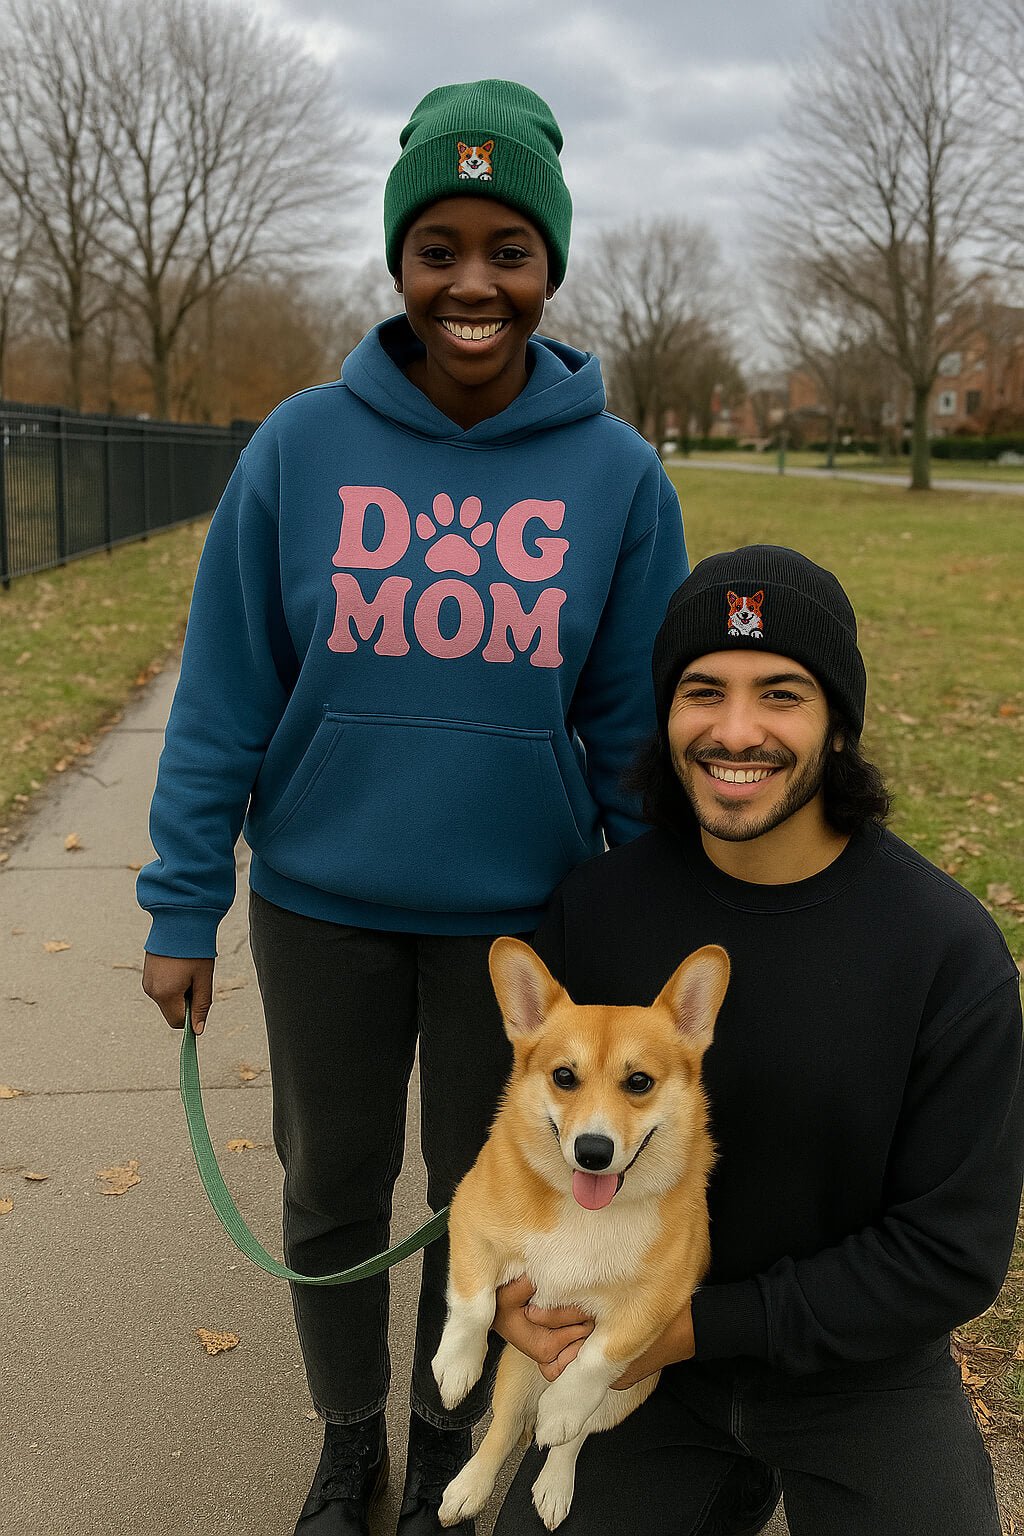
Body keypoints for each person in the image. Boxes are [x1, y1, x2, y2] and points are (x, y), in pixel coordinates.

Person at [136, 79, 687, 1536]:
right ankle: (349, 1436)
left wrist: (640, 936)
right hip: (321, 906)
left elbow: (631, 731)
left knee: (488, 1201)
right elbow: (223, 700)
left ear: (549, 269)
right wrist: (181, 901)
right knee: (330, 1187)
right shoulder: (300, 447)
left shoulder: (620, 476)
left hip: (522, 927)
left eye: (509, 249)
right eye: (438, 244)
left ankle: (453, 1433)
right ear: (399, 260)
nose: (473, 283)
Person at [493, 545, 1024, 1536]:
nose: (735, 730)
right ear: (666, 712)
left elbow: (951, 1254)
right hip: (632, 1346)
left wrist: (694, 1327)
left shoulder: (941, 951)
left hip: (859, 1373)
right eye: (703, 691)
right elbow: (526, 1147)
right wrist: (515, 1291)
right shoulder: (598, 913)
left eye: (780, 694)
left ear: (836, 723)